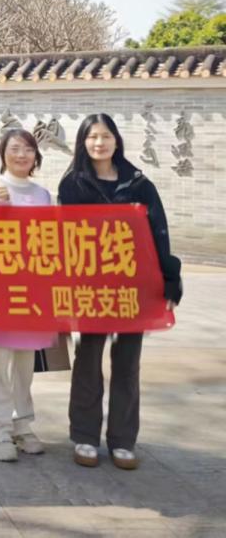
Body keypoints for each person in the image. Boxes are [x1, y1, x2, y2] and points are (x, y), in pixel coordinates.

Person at [59, 113, 181, 470]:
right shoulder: (73, 185)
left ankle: (123, 440)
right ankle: (84, 435)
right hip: (92, 287)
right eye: (92, 137)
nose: (99, 143)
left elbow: (158, 232)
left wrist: (170, 277)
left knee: (128, 362)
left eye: (105, 136)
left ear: (116, 140)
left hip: (134, 287)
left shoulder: (139, 184)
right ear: (83, 142)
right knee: (88, 359)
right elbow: (65, 238)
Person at [0, 129, 54, 462]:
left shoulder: (43, 195)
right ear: (3, 153)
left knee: (24, 362)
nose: (22, 155)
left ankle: (21, 424)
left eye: (28, 149)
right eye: (15, 148)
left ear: (36, 156)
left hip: (32, 291)